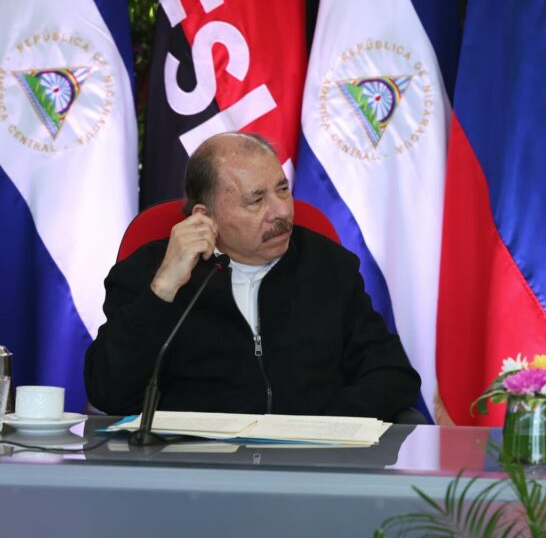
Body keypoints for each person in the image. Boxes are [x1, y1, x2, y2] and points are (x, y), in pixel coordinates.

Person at [85, 132, 420, 421]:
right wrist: (163, 290)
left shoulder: (328, 265)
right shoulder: (148, 272)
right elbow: (108, 392)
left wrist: (325, 429)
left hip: (311, 471)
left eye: (282, 189)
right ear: (205, 216)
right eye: (256, 200)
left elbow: (392, 374)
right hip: (192, 473)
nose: (281, 212)